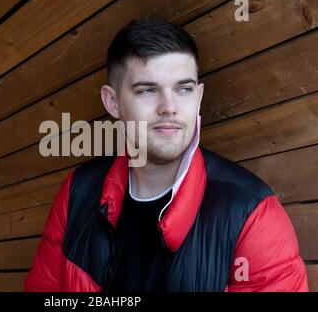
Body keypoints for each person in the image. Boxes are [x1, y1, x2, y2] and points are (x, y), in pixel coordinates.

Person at [24, 18, 309, 292]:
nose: (169, 107)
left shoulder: (251, 211)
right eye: (147, 90)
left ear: (198, 96)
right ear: (112, 102)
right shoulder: (78, 190)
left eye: (183, 89)